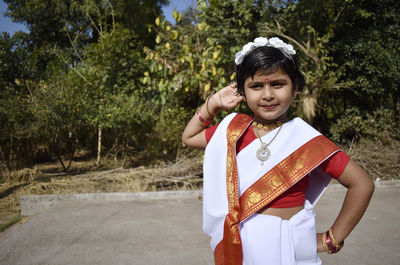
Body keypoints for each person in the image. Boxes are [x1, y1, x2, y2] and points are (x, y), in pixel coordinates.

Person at [182, 37, 374, 265]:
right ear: (242, 90)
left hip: (292, 249)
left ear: (294, 90)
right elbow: (189, 137)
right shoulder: (233, 130)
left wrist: (331, 239)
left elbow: (362, 184)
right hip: (242, 247)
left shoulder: (306, 140)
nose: (267, 95)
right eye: (256, 86)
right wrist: (212, 104)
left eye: (277, 84)